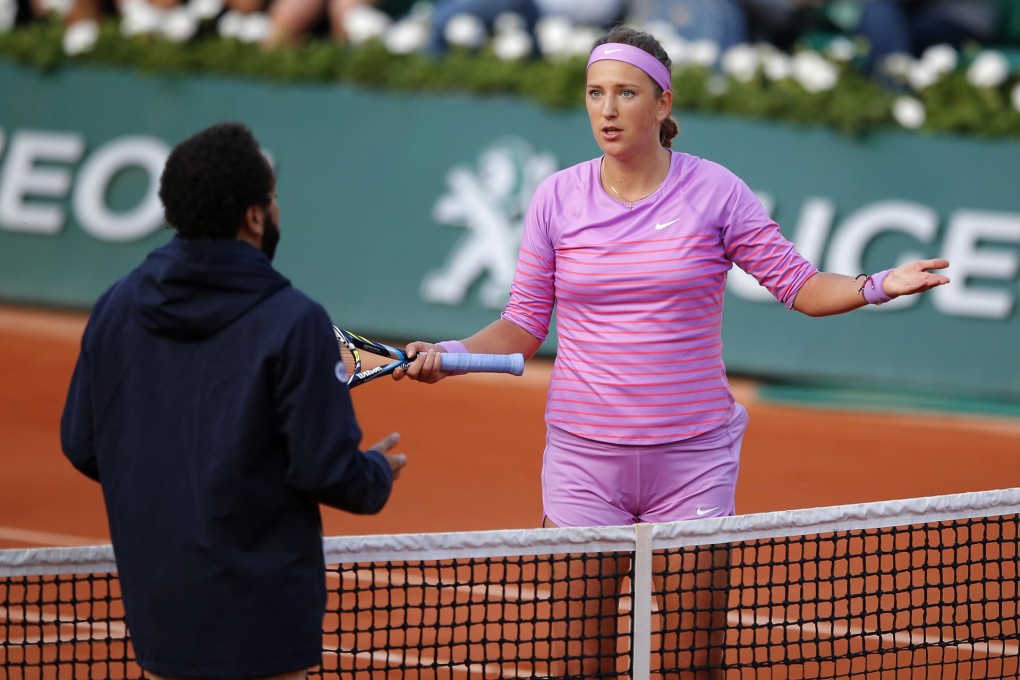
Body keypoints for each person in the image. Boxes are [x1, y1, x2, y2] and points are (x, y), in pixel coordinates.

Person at [395, 25, 949, 678]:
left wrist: (878, 284)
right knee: (577, 665)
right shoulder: (556, 198)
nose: (607, 109)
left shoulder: (715, 192)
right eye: (595, 93)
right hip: (583, 461)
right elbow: (520, 325)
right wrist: (452, 354)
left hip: (693, 461)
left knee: (691, 666)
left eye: (625, 93)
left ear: (662, 104)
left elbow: (801, 286)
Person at [61, 121, 407, 680]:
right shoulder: (295, 322)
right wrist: (375, 473)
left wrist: (176, 491)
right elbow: (329, 470)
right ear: (253, 216)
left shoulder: (115, 307)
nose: (274, 211)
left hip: (160, 605)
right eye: (270, 200)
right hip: (263, 619)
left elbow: (82, 444)